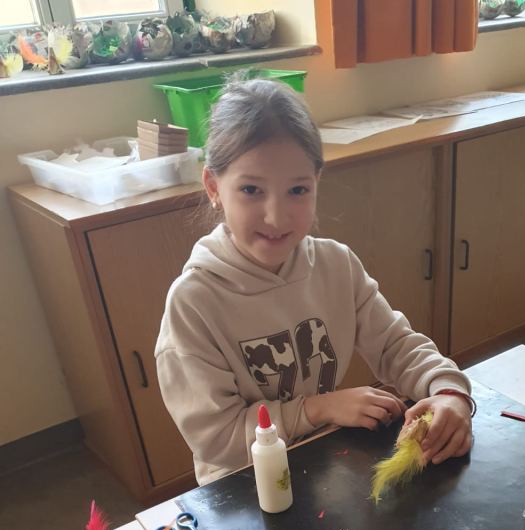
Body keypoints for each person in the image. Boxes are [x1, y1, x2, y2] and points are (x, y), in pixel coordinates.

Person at [156, 77, 474, 486]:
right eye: (251, 189)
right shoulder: (194, 303)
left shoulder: (335, 265)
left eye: (297, 190)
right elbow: (218, 439)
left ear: (317, 182)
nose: (276, 216)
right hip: (243, 488)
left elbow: (396, 346)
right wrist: (318, 408)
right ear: (214, 187)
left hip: (323, 467)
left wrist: (449, 391)